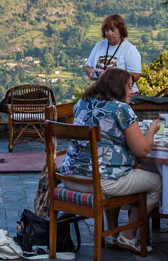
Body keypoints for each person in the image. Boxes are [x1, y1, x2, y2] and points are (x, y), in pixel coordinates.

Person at [63, 67, 161, 251]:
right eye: (129, 86)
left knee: (117, 171)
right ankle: (128, 235)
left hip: (70, 178)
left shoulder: (82, 103)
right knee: (157, 182)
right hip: (99, 181)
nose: (132, 91)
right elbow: (142, 150)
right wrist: (152, 131)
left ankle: (112, 233)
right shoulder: (121, 109)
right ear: (117, 87)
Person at [83, 14, 142, 80]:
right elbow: (88, 67)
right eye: (106, 30)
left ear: (120, 30)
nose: (109, 33)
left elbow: (136, 75)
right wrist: (91, 72)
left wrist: (113, 77)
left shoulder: (129, 50)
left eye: (112, 30)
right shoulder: (99, 46)